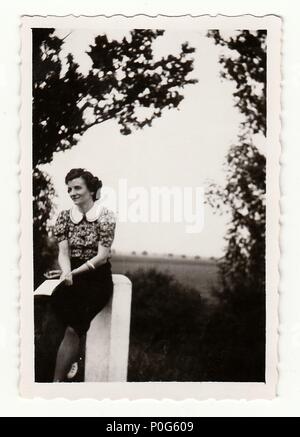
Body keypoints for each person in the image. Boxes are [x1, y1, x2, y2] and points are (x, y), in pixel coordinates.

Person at [51, 168, 116, 382]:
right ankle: (73, 357)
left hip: (96, 279)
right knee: (55, 314)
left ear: (91, 190)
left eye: (77, 187)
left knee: (73, 328)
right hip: (72, 274)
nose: (72, 193)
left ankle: (56, 383)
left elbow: (102, 257)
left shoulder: (105, 217)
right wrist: (66, 271)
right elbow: (63, 252)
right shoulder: (64, 217)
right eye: (69, 189)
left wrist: (72, 273)